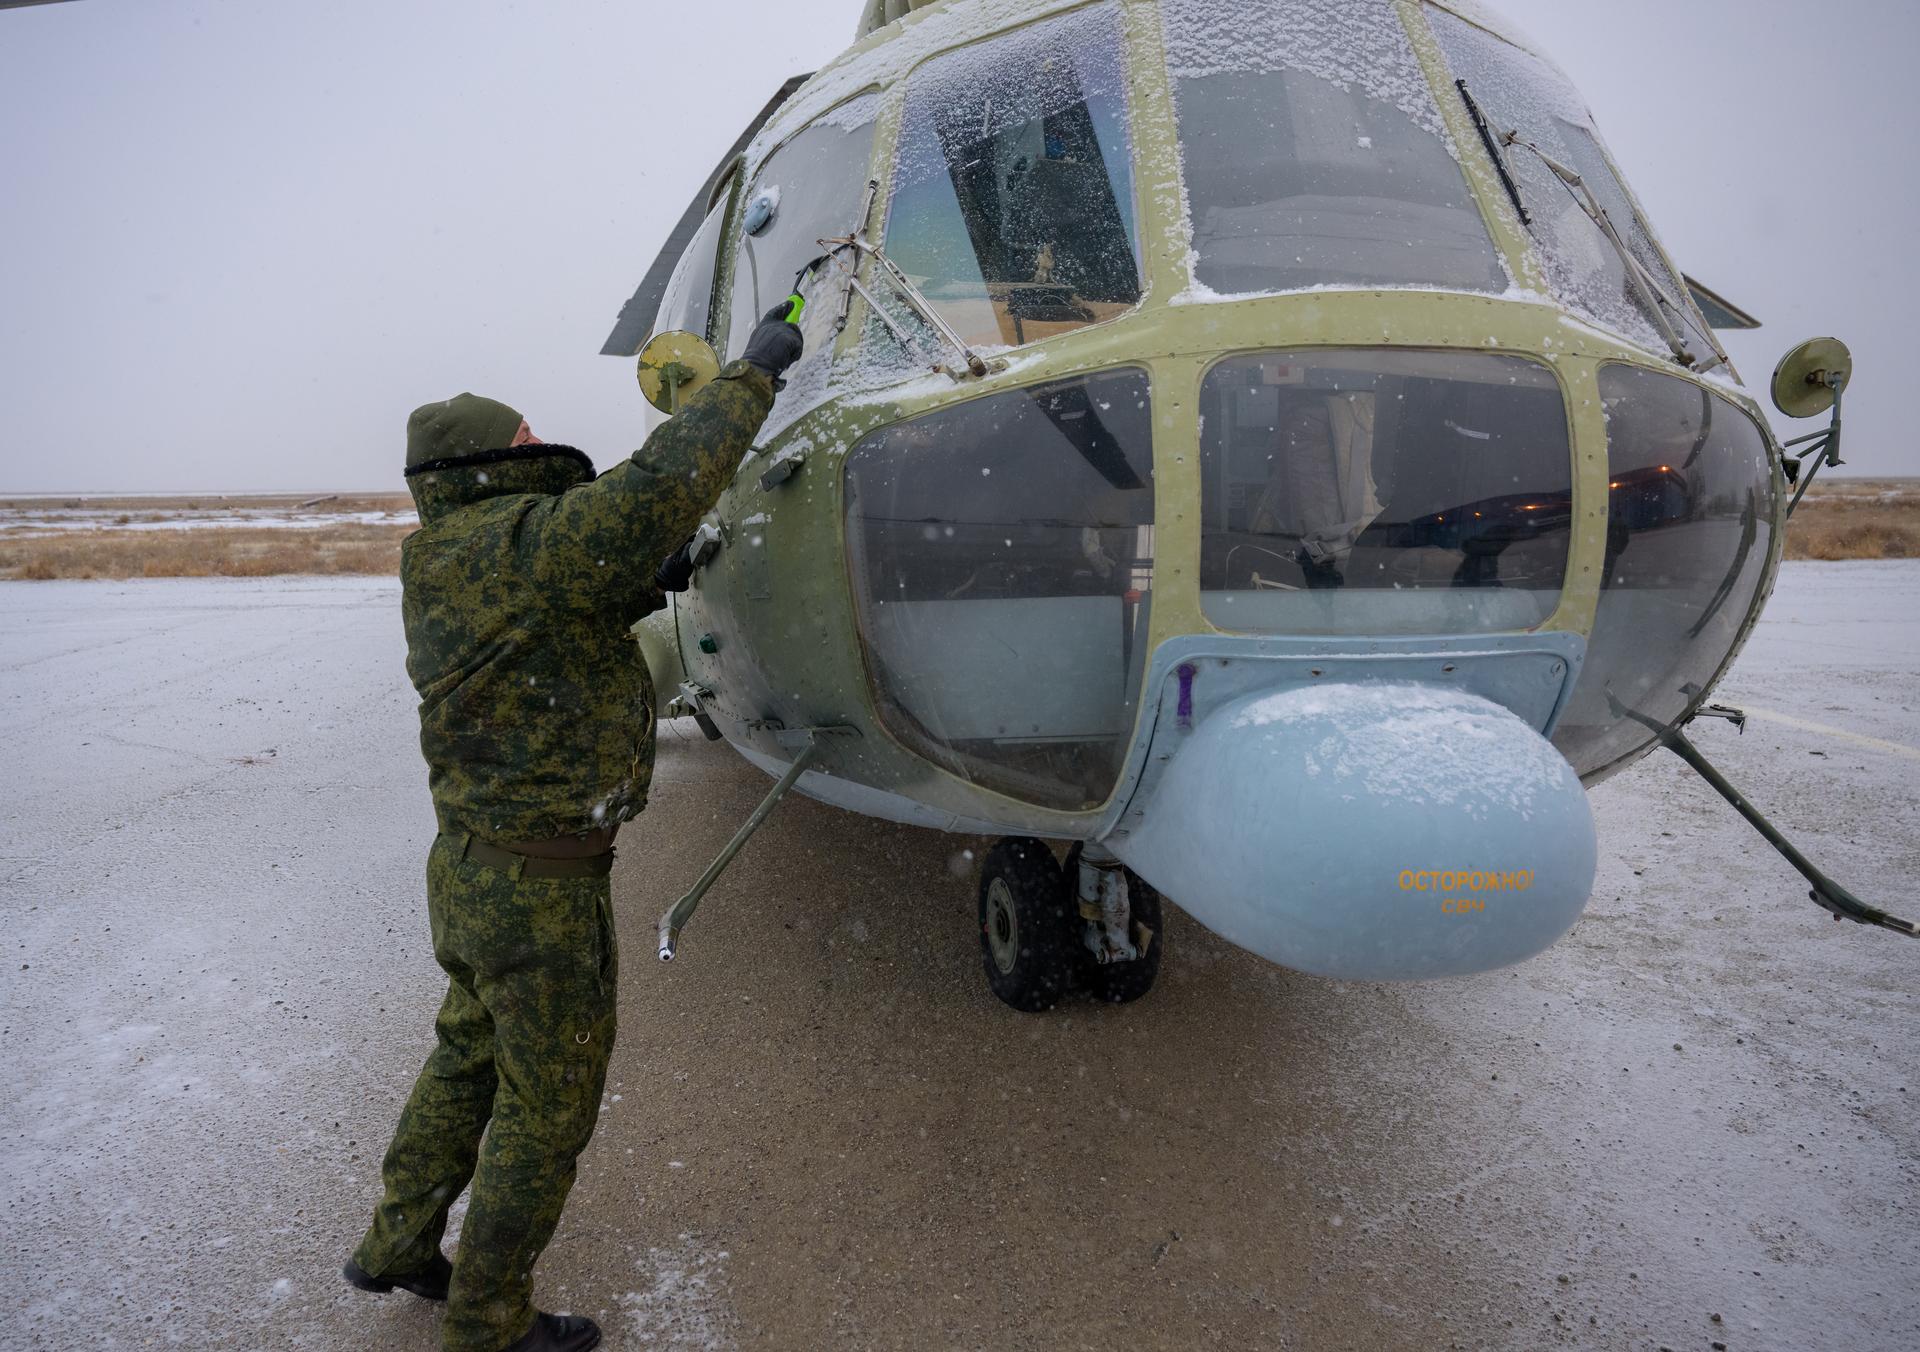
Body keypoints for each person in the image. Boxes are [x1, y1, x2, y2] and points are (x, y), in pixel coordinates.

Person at [341, 306, 804, 1352]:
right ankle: (490, 1318)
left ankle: (397, 1239)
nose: (533, 445)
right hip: (541, 888)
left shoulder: (447, 555)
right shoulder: (523, 542)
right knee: (548, 1109)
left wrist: (650, 578)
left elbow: (552, 600)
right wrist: (750, 377)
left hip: (470, 870)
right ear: (482, 464)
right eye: (519, 441)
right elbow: (652, 490)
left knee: (467, 1058)